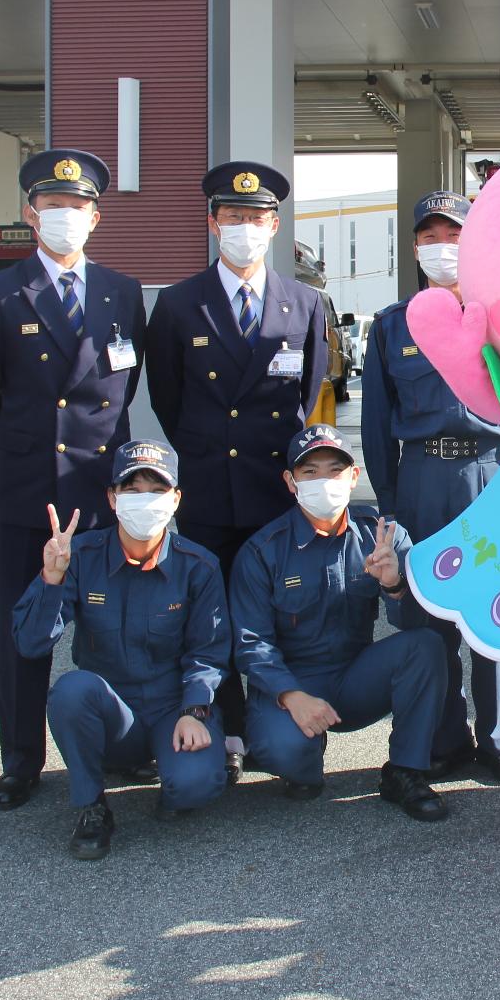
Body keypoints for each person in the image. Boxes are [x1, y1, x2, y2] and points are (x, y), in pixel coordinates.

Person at [0, 148, 145, 811]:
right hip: (29, 490)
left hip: (101, 494)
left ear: (96, 217)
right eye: (53, 204)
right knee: (25, 630)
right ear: (29, 212)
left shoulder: (121, 291)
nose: (65, 215)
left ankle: (113, 744)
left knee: (109, 627)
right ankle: (20, 759)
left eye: (78, 205)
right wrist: (24, 448)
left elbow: (124, 390)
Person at [148, 161, 328, 781]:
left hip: (270, 489)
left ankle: (276, 721)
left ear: (274, 226)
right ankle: (217, 722)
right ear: (212, 224)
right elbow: (169, 402)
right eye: (232, 218)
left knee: (280, 611)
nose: (244, 228)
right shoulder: (177, 305)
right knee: (208, 611)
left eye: (255, 218)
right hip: (206, 488)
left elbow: (305, 401)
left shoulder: (304, 303)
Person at [361, 190, 500, 785]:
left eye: (451, 236)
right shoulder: (391, 326)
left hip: (490, 471)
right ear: (414, 248)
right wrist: (388, 504)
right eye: (429, 237)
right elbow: (378, 427)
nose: (440, 248)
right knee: (428, 613)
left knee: (492, 610)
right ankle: (444, 735)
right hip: (422, 477)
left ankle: (498, 738)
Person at [11, 440, 230, 860]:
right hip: (114, 714)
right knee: (72, 690)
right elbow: (30, 643)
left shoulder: (198, 565)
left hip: (172, 709)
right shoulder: (82, 557)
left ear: (176, 499)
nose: (144, 501)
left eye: (156, 490)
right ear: (112, 498)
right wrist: (51, 578)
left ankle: (173, 775)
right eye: (132, 490)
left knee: (196, 785)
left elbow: (209, 650)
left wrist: (194, 710)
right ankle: (91, 805)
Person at [228, 425, 450, 822]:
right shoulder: (263, 550)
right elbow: (250, 643)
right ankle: (303, 753)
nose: (323, 482)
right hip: (292, 682)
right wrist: (291, 695)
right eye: (309, 472)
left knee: (426, 647)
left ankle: (405, 770)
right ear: (291, 482)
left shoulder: (382, 536)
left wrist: (395, 584)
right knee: (289, 756)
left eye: (334, 470)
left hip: (352, 677)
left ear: (353, 477)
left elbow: (422, 622)